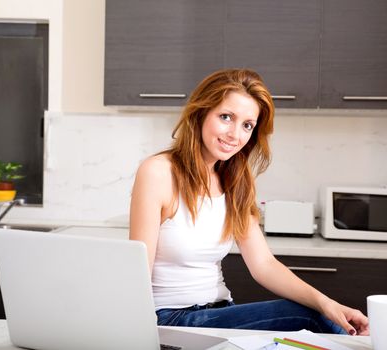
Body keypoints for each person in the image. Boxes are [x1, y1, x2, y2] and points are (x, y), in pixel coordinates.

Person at [129, 68, 370, 335]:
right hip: (171, 319)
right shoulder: (158, 172)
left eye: (247, 125)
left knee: (319, 316)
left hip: (220, 312)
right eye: (225, 117)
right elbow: (137, 270)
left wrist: (328, 303)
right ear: (200, 113)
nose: (235, 134)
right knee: (309, 318)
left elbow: (263, 265)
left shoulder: (235, 181)